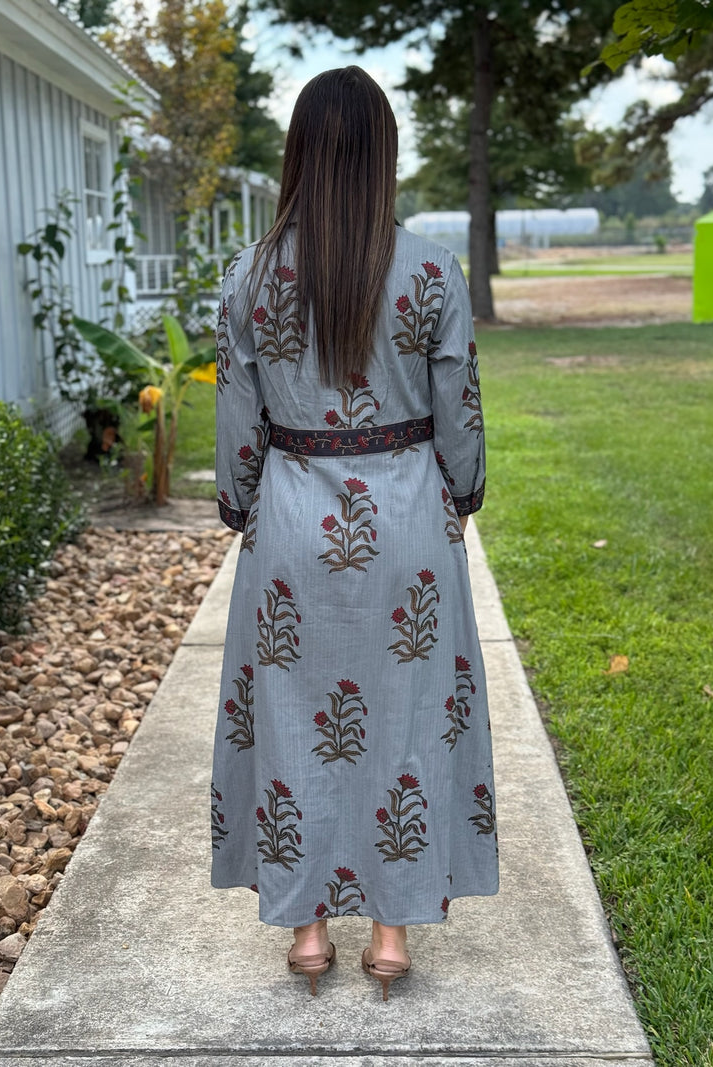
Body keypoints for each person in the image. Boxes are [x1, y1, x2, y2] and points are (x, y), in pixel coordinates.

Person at [210, 66, 498, 1001]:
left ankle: (303, 931)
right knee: (410, 717)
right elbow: (458, 410)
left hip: (292, 521)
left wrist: (237, 498)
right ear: (383, 154)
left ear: (299, 150)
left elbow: (238, 424)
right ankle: (390, 934)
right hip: (409, 521)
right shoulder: (429, 269)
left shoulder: (249, 276)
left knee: (293, 718)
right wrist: (464, 489)